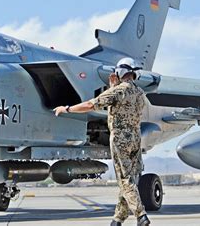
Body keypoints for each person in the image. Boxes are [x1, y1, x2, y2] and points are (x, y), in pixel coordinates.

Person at [53, 57, 150, 226]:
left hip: (120, 138)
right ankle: (118, 218)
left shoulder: (118, 91)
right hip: (135, 137)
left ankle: (141, 215)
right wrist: (113, 88)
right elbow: (123, 106)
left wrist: (66, 109)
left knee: (124, 179)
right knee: (130, 178)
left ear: (120, 71)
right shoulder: (140, 93)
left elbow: (92, 105)